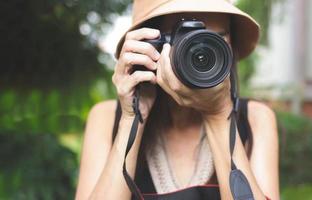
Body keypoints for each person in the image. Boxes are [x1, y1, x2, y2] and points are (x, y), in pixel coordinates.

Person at [75, 0, 280, 199]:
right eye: (185, 36)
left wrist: (218, 113)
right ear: (149, 45)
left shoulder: (255, 118)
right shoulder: (106, 118)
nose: (200, 51)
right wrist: (132, 117)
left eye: (214, 38)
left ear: (231, 45)